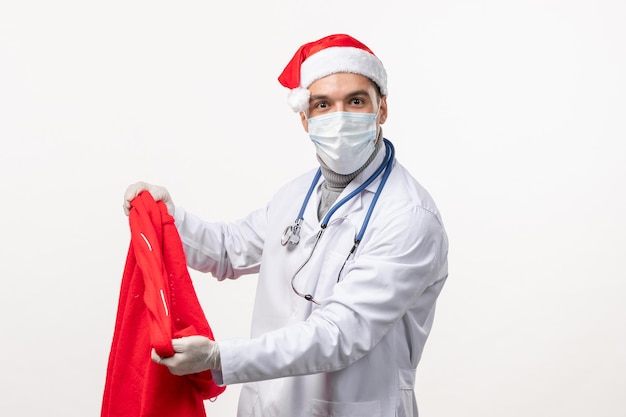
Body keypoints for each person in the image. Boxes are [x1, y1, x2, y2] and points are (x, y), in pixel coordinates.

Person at [122, 33, 449, 417]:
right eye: (322, 104)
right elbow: (229, 250)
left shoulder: (409, 216)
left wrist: (218, 357)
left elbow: (340, 334)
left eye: (356, 101)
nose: (339, 116)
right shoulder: (296, 195)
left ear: (382, 110)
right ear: (304, 118)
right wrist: (167, 220)